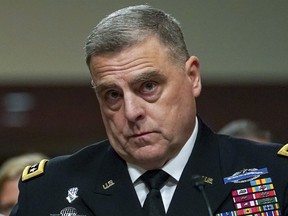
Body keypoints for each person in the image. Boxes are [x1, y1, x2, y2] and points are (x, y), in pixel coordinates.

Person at [11, 5, 288, 216]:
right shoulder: (49, 190)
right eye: (112, 95)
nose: (131, 112)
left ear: (192, 77)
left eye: (148, 86)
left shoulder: (276, 174)